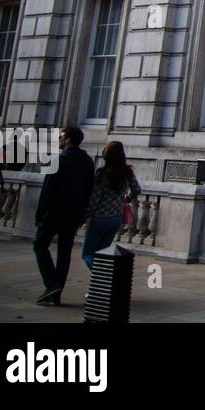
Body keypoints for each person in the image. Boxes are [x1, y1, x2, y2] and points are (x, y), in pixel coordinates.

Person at [33, 126, 94, 305]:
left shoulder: (58, 160)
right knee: (64, 253)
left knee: (39, 245)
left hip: (53, 214)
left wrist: (39, 215)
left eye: (61, 136)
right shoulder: (88, 162)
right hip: (73, 215)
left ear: (67, 139)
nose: (59, 139)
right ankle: (56, 294)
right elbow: (89, 191)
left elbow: (47, 191)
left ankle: (51, 284)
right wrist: (83, 215)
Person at [81, 141, 141, 270]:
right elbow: (137, 190)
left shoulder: (102, 174)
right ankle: (104, 285)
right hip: (116, 218)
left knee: (88, 253)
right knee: (103, 254)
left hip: (100, 218)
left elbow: (95, 199)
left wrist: (84, 216)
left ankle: (103, 278)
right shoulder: (127, 172)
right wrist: (126, 199)